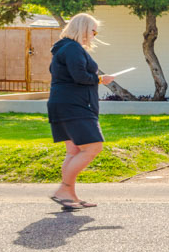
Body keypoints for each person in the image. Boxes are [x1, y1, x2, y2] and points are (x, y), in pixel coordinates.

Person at [47, 13, 117, 210]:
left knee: (74, 151)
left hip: (64, 104)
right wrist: (100, 79)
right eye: (93, 31)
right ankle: (63, 190)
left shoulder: (64, 48)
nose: (94, 35)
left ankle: (69, 195)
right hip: (74, 106)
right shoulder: (72, 48)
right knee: (94, 147)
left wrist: (98, 78)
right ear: (84, 29)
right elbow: (79, 76)